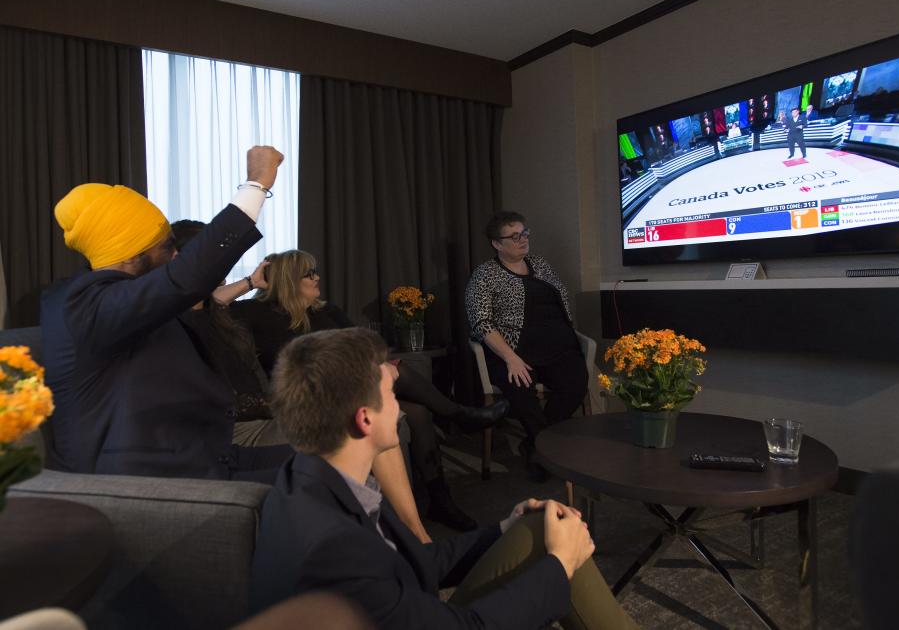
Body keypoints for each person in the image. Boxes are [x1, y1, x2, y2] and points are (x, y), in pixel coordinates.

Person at [249, 327, 639, 630]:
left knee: (541, 523)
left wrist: (504, 528)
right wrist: (559, 563)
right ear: (364, 419)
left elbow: (417, 561)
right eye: (391, 392)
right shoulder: (335, 552)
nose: (400, 403)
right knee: (558, 547)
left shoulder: (318, 480)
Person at [45, 146, 291, 481]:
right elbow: (184, 279)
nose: (176, 256)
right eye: (167, 247)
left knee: (341, 460)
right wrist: (256, 184)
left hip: (202, 456)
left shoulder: (125, 303)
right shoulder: (83, 306)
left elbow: (193, 293)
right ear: (131, 254)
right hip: (143, 480)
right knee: (329, 481)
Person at [231, 249, 506, 532]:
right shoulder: (256, 313)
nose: (317, 278)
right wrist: (250, 283)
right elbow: (208, 305)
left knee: (417, 410)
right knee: (395, 373)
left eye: (315, 271)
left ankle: (440, 498)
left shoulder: (326, 311)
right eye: (309, 273)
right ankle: (458, 414)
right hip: (310, 396)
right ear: (289, 280)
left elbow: (365, 345)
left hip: (351, 384)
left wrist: (377, 365)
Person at [465, 211, 588, 481]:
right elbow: (481, 322)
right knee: (521, 389)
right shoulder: (484, 275)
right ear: (497, 244)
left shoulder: (540, 265)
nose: (523, 240)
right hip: (514, 351)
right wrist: (510, 358)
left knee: (576, 384)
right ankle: (547, 451)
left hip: (559, 349)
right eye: (514, 236)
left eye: (524, 233)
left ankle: (536, 445)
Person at [170, 219, 283, 448]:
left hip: (264, 421)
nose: (225, 264)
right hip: (231, 432)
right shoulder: (173, 324)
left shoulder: (222, 319)